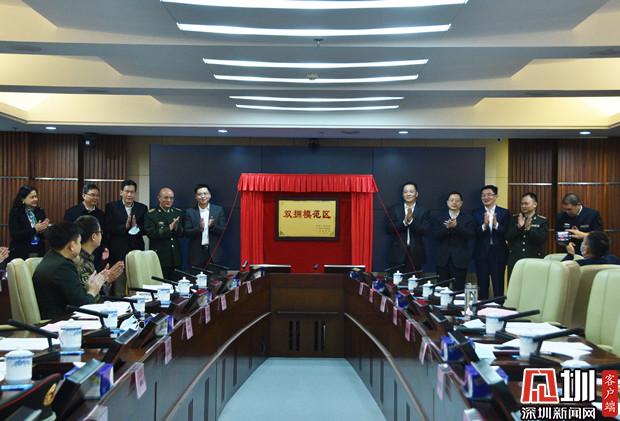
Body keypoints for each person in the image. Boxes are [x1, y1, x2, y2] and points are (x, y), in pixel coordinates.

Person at [33, 221, 106, 319]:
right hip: (59, 321)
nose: (80, 246)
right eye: (79, 242)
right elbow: (83, 306)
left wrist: (87, 287)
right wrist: (92, 291)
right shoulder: (63, 267)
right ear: (72, 246)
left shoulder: (51, 257)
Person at [104, 179, 148, 294]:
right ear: (121, 192)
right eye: (127, 191)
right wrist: (125, 226)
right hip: (118, 252)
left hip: (136, 251)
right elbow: (108, 227)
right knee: (119, 288)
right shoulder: (112, 207)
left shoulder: (142, 208)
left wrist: (136, 228)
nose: (129, 195)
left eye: (132, 192)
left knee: (137, 285)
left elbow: (146, 229)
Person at [473, 185, 509, 299]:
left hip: (499, 254)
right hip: (481, 254)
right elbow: (473, 233)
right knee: (482, 287)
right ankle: (482, 308)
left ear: (496, 196)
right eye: (483, 195)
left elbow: (507, 234)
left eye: (489, 194)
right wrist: (484, 226)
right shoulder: (476, 213)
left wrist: (496, 225)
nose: (486, 197)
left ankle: (499, 308)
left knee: (498, 287)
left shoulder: (504, 212)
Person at [433, 191, 475, 291]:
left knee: (458, 290)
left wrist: (457, 226)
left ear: (461, 203)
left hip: (460, 260)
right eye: (452, 200)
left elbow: (470, 235)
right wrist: (447, 228)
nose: (454, 203)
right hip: (442, 259)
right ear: (447, 202)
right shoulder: (439, 217)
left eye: (457, 201)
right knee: (441, 290)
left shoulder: (468, 218)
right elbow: (435, 235)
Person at [75, 215, 124, 299]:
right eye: (100, 232)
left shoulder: (86, 258)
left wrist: (105, 280)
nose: (101, 235)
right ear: (94, 237)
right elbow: (91, 297)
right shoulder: (80, 262)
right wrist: (106, 280)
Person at [387, 182, 431, 273]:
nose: (408, 194)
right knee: (395, 280)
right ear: (402, 194)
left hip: (416, 254)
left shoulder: (424, 211)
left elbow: (425, 230)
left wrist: (411, 221)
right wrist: (404, 222)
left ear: (416, 194)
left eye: (411, 191)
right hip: (397, 253)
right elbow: (389, 228)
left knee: (414, 280)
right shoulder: (394, 209)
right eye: (405, 192)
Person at [144, 187, 184, 280]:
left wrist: (176, 228)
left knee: (177, 284)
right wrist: (169, 228)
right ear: (159, 198)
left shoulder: (177, 212)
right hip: (160, 257)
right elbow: (151, 234)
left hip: (175, 257)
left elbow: (182, 233)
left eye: (171, 198)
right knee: (161, 284)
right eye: (166, 197)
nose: (169, 200)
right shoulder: (151, 214)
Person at [64, 183, 106, 269]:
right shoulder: (71, 212)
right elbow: (67, 233)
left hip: (96, 254)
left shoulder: (101, 214)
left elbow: (105, 233)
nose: (95, 198)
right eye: (92, 195)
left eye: (97, 195)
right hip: (77, 253)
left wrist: (105, 248)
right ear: (84, 195)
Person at [505, 192, 548, 278]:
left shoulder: (542, 220)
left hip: (534, 259)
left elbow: (541, 239)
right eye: (522, 204)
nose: (523, 206)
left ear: (535, 204)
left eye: (526, 203)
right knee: (514, 284)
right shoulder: (514, 219)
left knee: (533, 283)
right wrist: (519, 227)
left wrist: (529, 229)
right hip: (515, 259)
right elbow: (507, 237)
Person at [184, 184, 226, 267]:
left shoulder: (218, 210)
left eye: (205, 193)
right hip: (196, 253)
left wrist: (212, 226)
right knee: (196, 275)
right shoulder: (190, 212)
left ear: (209, 195)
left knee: (214, 275)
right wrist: (199, 228)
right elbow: (186, 233)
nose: (203, 196)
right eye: (199, 194)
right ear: (196, 197)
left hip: (214, 253)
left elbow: (223, 230)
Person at [8, 185, 49, 261]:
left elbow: (43, 235)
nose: (35, 199)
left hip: (38, 250)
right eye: (32, 197)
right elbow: (15, 235)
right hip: (21, 252)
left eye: (36, 196)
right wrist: (34, 229)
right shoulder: (16, 213)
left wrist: (44, 230)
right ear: (23, 199)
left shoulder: (40, 211)